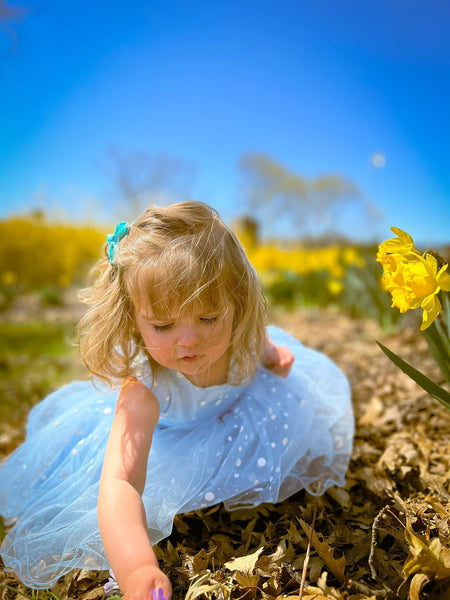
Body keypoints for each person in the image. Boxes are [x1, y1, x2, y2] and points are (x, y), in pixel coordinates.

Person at [0, 201, 353, 599]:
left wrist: (270, 353)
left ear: (237, 306)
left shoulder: (241, 339)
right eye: (164, 325)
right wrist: (136, 568)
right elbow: (121, 483)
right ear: (133, 318)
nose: (189, 340)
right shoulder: (145, 389)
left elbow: (256, 338)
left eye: (208, 318)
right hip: (172, 436)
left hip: (233, 417)